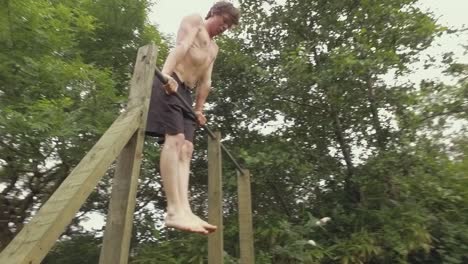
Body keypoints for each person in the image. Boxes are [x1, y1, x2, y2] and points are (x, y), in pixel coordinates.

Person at [145, 1, 240, 235]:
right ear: (214, 13)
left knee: (187, 149)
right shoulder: (195, 21)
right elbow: (180, 46)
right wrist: (165, 76)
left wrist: (199, 109)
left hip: (186, 93)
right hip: (172, 81)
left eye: (229, 25)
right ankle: (173, 209)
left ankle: (184, 209)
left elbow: (206, 81)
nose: (225, 27)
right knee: (175, 141)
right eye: (224, 21)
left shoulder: (214, 49)